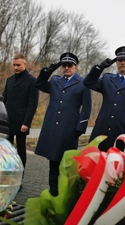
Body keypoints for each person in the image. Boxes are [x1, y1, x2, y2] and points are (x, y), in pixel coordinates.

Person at [35, 52, 92, 196]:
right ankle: (53, 190)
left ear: (75, 67)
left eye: (70, 65)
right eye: (64, 66)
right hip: (53, 127)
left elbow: (87, 107)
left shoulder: (83, 83)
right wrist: (47, 70)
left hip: (69, 128)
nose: (66, 68)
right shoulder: (55, 80)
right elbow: (40, 84)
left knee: (67, 162)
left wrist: (81, 127)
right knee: (53, 160)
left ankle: (65, 191)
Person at [83, 46, 125, 151]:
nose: (122, 63)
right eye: (120, 60)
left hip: (123, 133)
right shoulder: (107, 79)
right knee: (95, 163)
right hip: (101, 130)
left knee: (117, 165)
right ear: (116, 63)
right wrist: (99, 68)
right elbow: (88, 82)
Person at [2, 53, 39, 172]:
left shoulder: (32, 81)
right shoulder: (9, 80)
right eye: (14, 65)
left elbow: (32, 104)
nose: (16, 68)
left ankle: (19, 177)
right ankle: (6, 173)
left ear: (25, 64)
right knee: (6, 149)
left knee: (21, 150)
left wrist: (26, 123)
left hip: (21, 122)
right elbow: (4, 99)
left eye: (18, 65)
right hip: (8, 120)